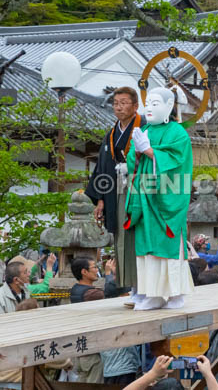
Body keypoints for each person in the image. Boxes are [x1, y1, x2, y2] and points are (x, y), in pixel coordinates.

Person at [124, 87, 195, 310]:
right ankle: (151, 293)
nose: (150, 108)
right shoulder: (144, 129)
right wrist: (135, 152)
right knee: (146, 245)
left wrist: (150, 152)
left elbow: (177, 163)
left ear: (169, 107)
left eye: (156, 104)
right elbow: (130, 164)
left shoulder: (178, 133)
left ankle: (175, 295)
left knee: (166, 243)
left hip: (166, 199)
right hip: (145, 197)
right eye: (148, 103)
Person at [86, 85, 146, 292]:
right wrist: (100, 198)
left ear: (136, 106)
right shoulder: (111, 134)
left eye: (124, 103)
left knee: (138, 236)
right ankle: (129, 287)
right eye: (116, 103)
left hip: (139, 192)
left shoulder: (145, 128)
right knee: (121, 236)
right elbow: (102, 167)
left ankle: (142, 285)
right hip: (115, 192)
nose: (118, 108)